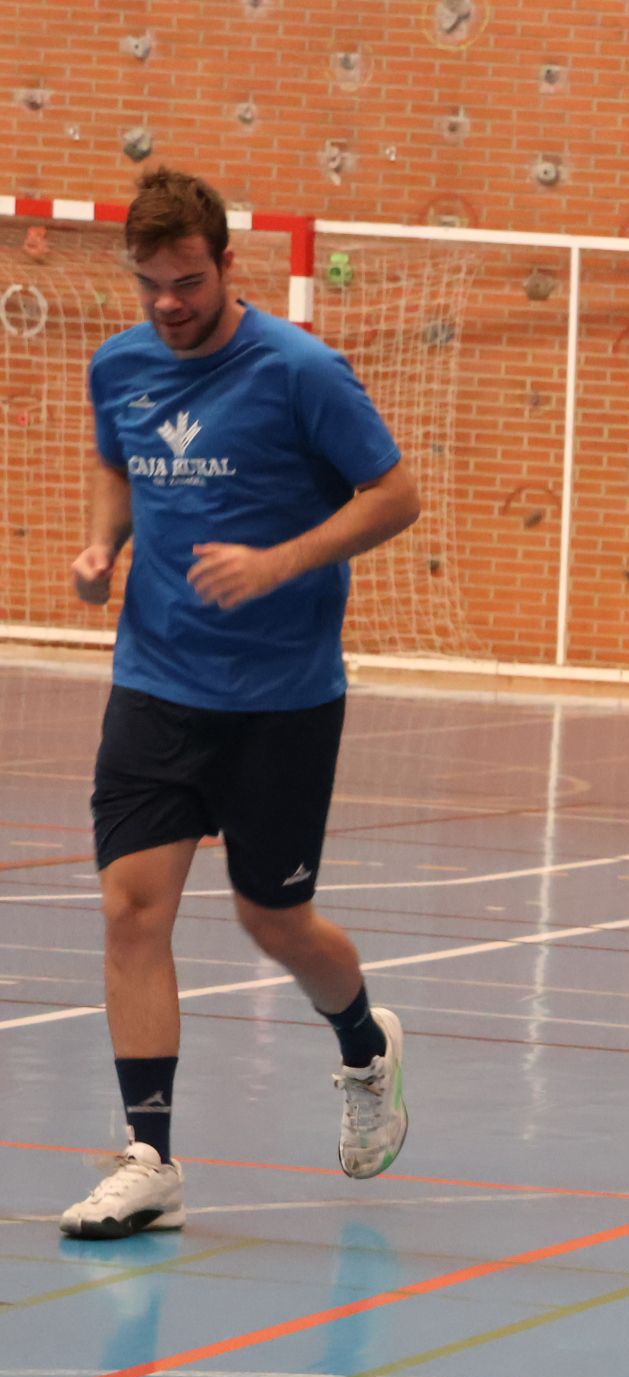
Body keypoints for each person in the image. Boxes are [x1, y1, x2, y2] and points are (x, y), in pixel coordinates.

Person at [58, 168, 421, 1240]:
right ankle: (149, 1156)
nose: (169, 304)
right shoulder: (119, 364)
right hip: (157, 679)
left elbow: (395, 494)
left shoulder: (300, 371)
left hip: (282, 697)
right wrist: (101, 544)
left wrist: (281, 563)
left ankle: (364, 1043)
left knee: (272, 917)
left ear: (227, 268)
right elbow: (118, 463)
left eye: (187, 283)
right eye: (151, 285)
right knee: (133, 909)